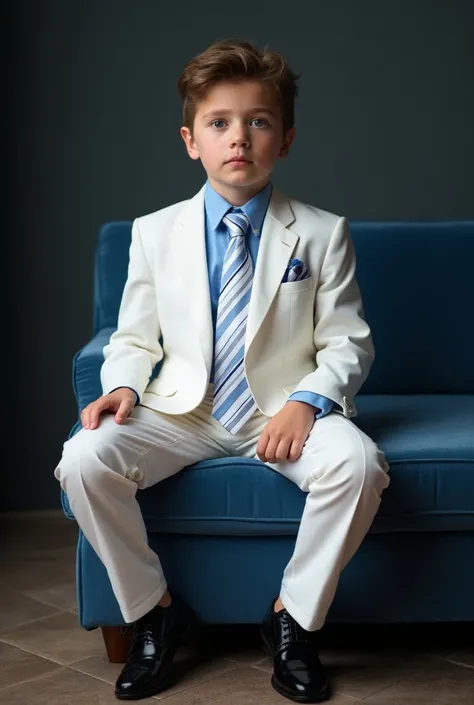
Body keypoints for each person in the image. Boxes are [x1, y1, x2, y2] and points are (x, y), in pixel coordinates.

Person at [54, 37, 390, 703]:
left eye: (258, 121)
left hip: (280, 410)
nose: (239, 137)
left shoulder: (322, 232)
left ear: (285, 139)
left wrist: (308, 400)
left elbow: (349, 342)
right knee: (82, 459)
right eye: (220, 123)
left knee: (361, 466)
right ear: (191, 140)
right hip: (185, 412)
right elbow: (133, 335)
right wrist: (122, 383)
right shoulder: (154, 234)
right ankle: (153, 613)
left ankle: (292, 618)